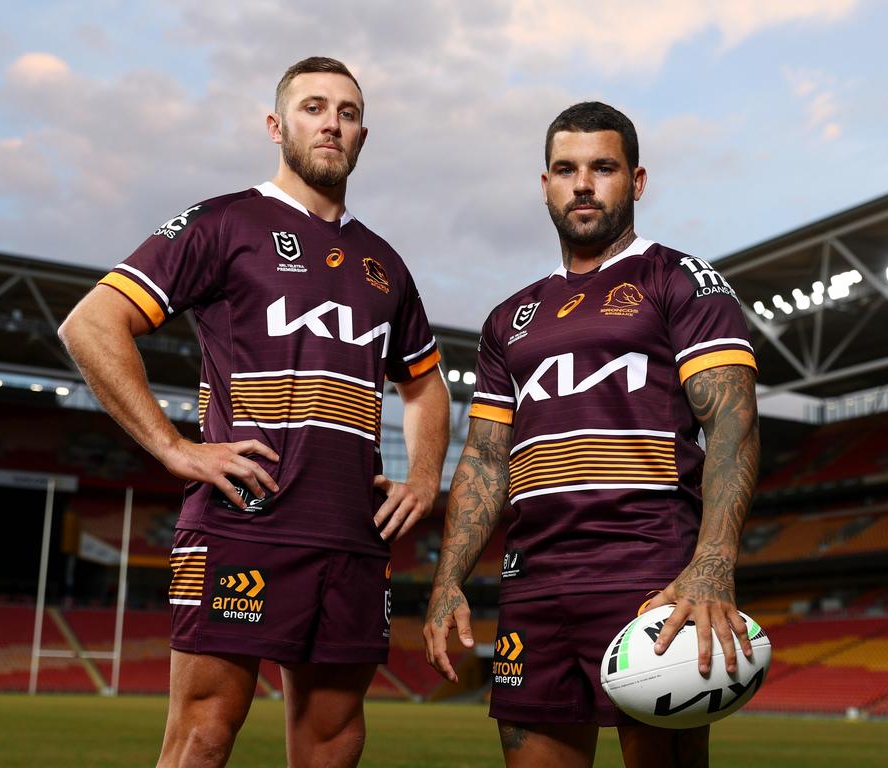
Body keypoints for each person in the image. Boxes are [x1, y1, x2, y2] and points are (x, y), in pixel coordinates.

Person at [59, 56, 450, 768]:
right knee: (203, 736)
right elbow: (91, 324)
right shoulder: (224, 223)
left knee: (333, 742)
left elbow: (424, 385)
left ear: (363, 136)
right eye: (313, 107)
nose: (331, 121)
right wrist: (175, 448)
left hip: (351, 534)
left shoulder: (385, 265)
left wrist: (424, 476)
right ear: (277, 126)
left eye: (348, 112)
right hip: (246, 521)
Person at [423, 101, 759, 768]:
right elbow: (486, 461)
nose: (582, 183)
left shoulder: (678, 280)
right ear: (545, 183)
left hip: (648, 574)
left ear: (635, 181)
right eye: (565, 169)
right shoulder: (508, 318)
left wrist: (714, 560)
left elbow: (732, 422)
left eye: (602, 168)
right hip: (533, 582)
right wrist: (447, 580)